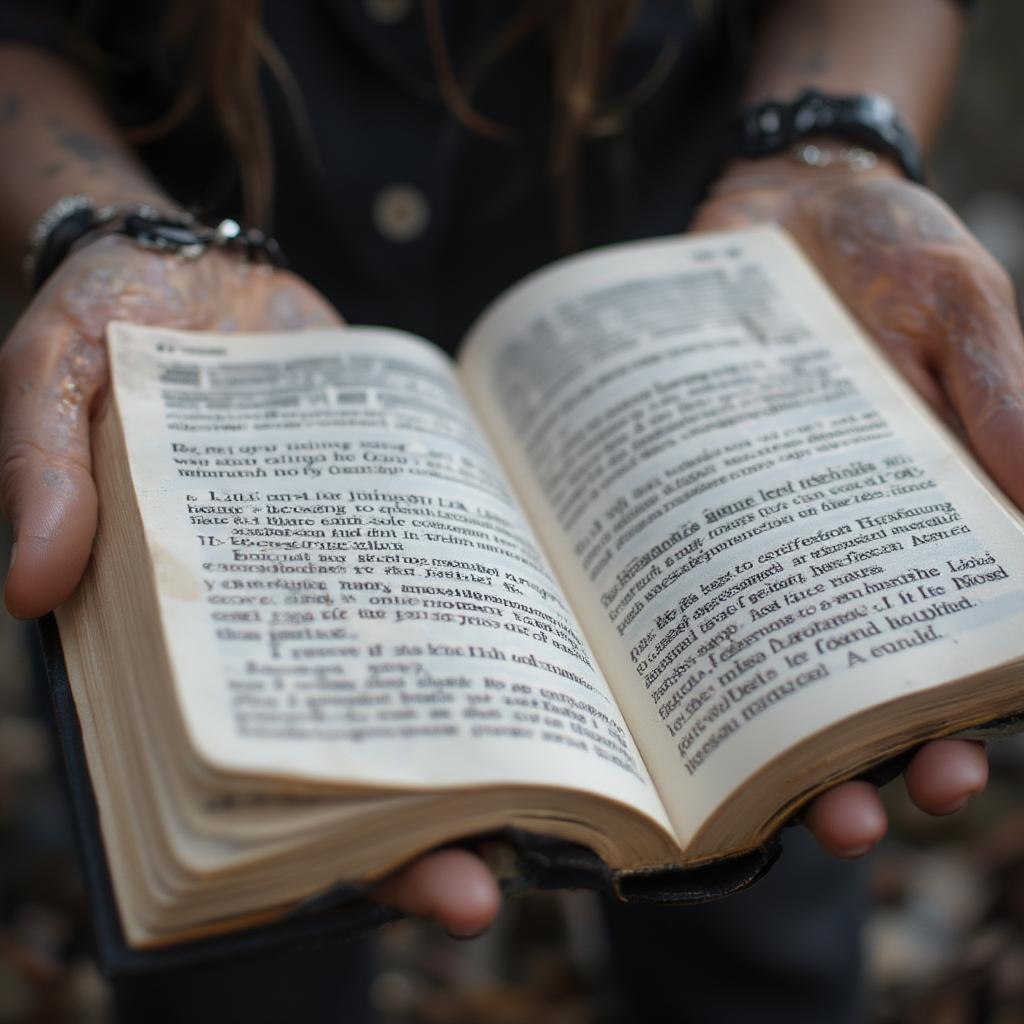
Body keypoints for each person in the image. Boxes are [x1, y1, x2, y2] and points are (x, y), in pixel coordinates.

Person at [0, 1, 1019, 1019]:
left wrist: (830, 154)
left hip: (692, 371)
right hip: (213, 407)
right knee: (242, 922)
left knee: (762, 906)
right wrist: (99, 220)